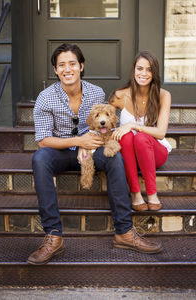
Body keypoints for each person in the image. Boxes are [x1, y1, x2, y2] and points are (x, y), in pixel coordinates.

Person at [28, 44, 162, 265]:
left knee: (115, 157)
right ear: (55, 70)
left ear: (81, 66)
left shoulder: (96, 92)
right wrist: (78, 141)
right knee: (39, 159)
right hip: (60, 152)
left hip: (93, 150)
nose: (67, 69)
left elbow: (105, 126)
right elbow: (43, 140)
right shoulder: (45, 98)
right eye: (61, 65)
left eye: (72, 63)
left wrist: (88, 144)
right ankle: (54, 236)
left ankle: (125, 232)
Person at [110, 50, 172, 212]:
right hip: (129, 154)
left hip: (154, 152)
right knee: (125, 137)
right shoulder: (119, 95)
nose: (144, 73)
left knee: (141, 137)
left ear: (154, 73)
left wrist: (132, 125)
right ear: (134, 70)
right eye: (140, 68)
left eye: (149, 69)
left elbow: (160, 133)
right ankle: (136, 194)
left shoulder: (163, 95)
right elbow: (105, 124)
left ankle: (152, 194)